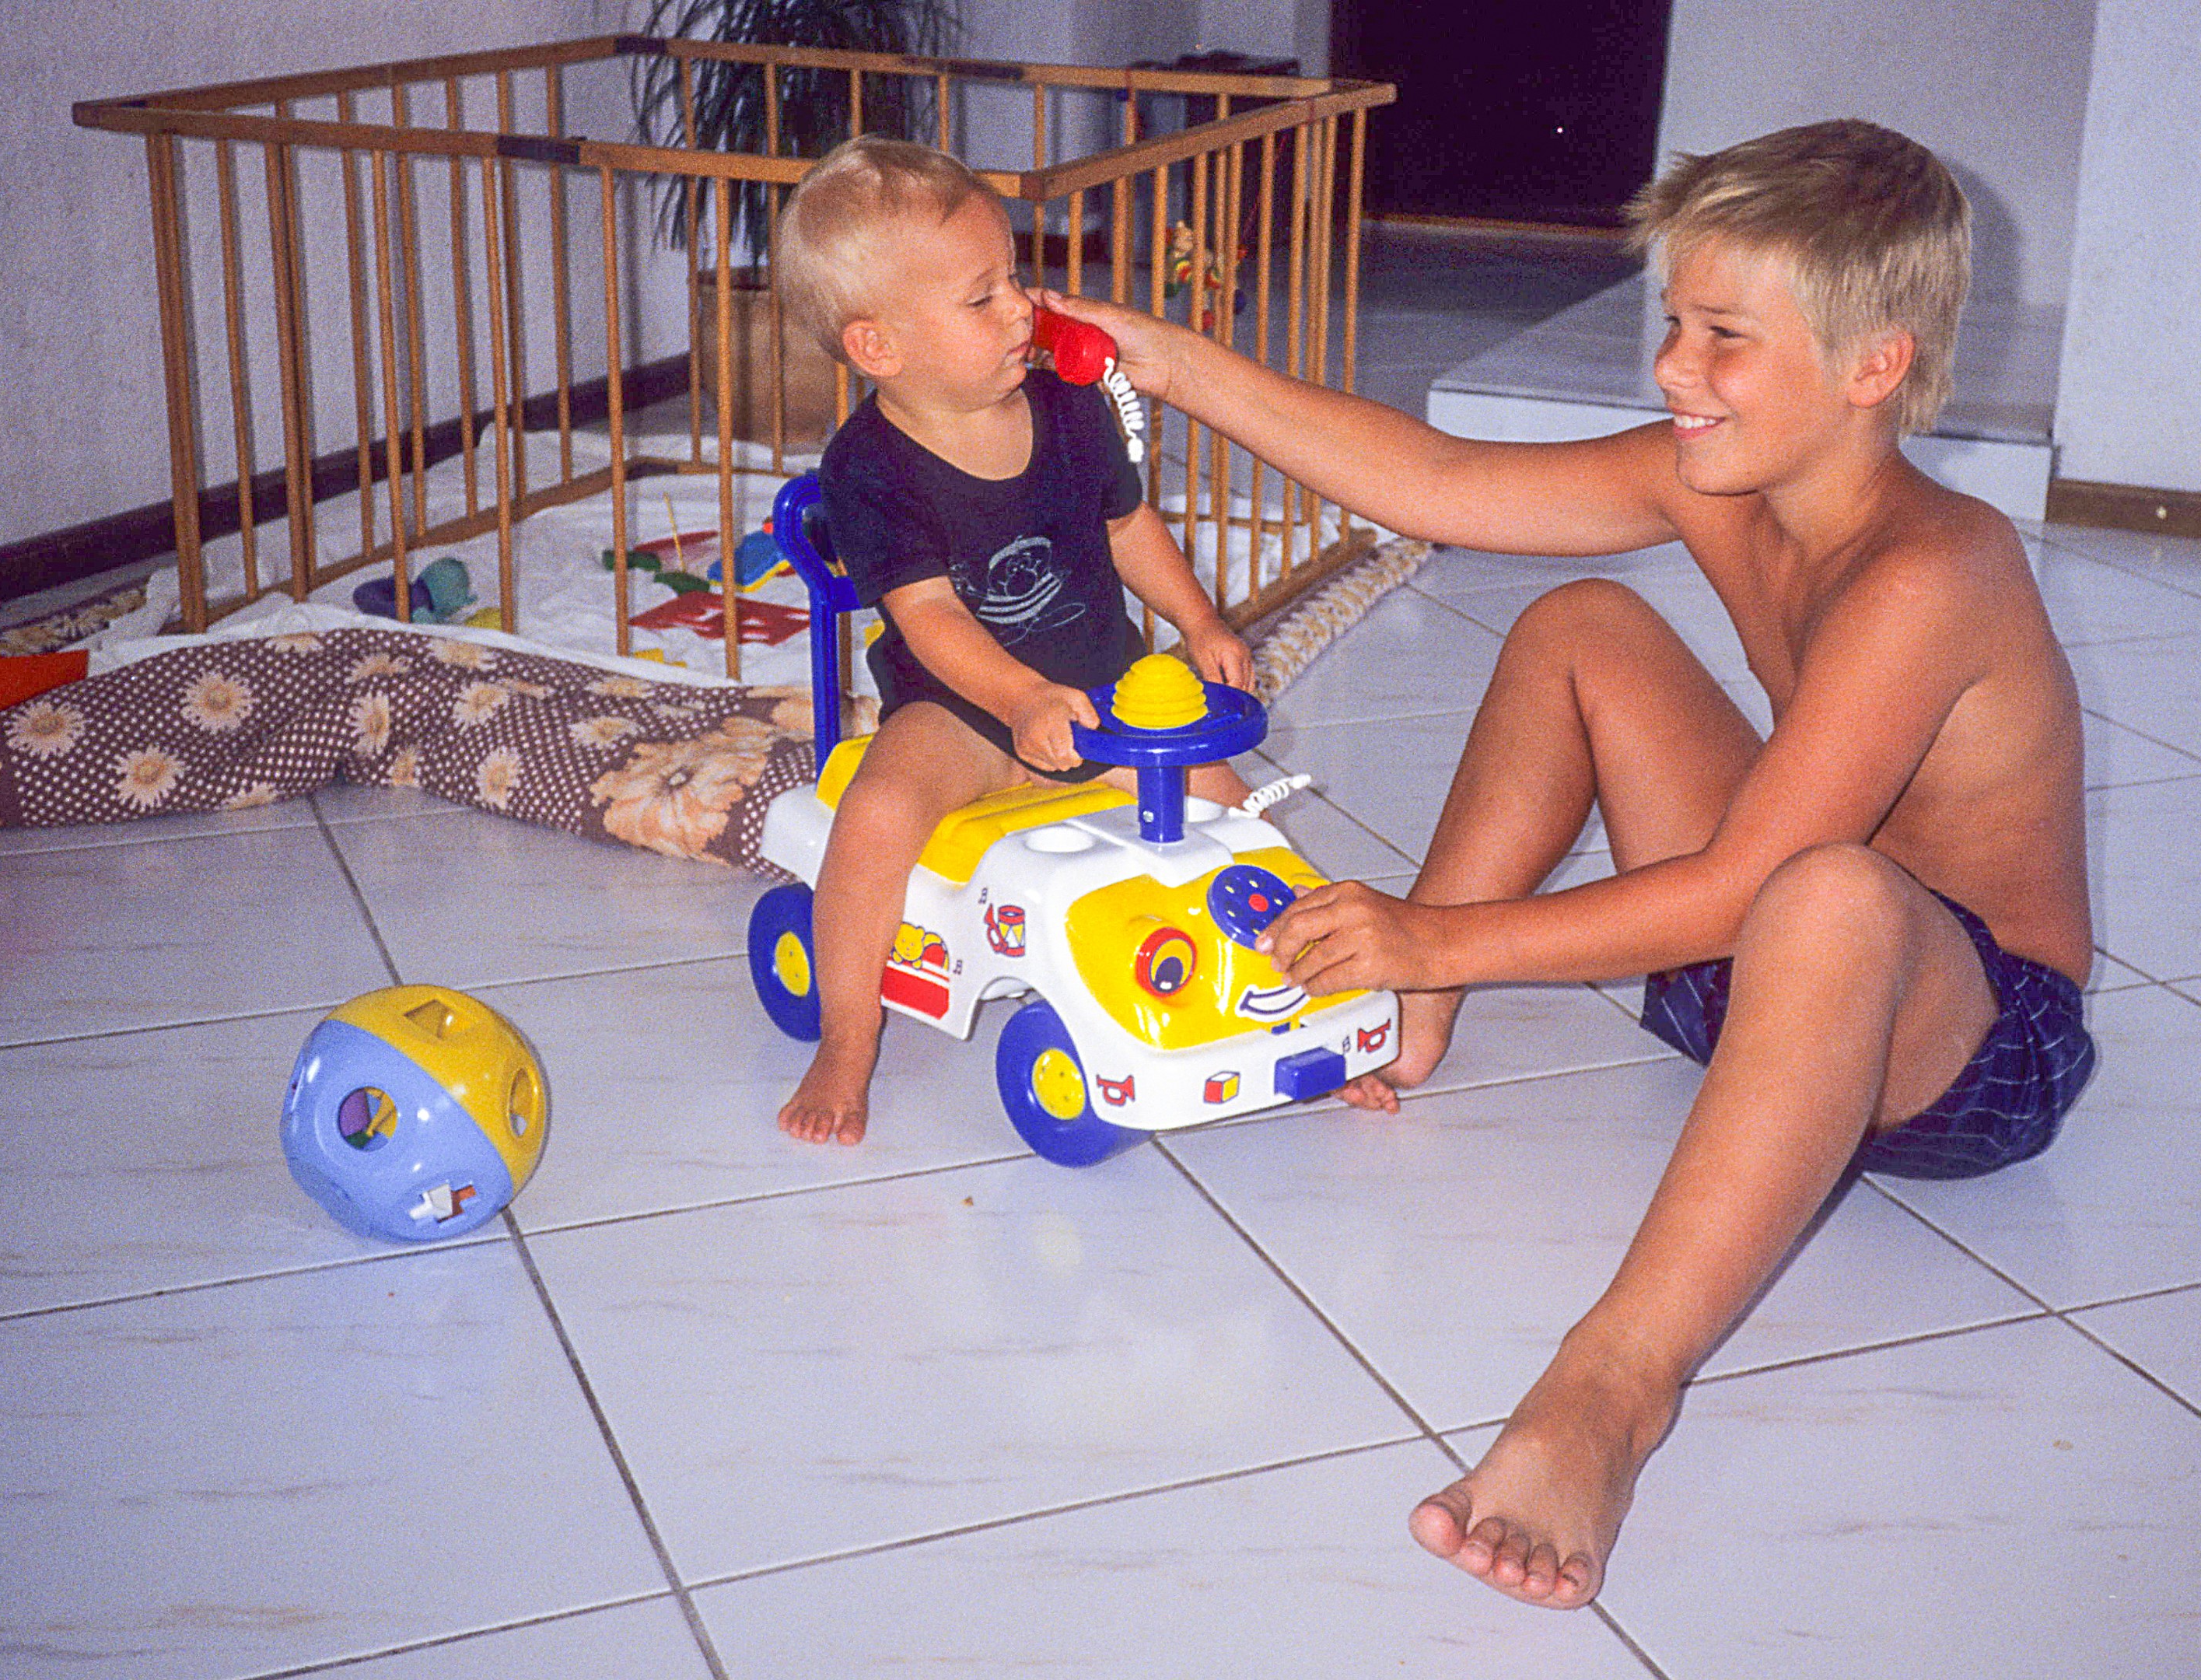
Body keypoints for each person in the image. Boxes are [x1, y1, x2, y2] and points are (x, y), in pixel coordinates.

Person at [1048, 118, 2097, 1607]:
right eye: (1674, 323)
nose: (1672, 367)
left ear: (1876, 366)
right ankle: (1411, 1017)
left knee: (1829, 893)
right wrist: (1169, 363)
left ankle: (1611, 1391)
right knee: (1581, 629)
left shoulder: (1940, 570)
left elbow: (1750, 884)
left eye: (1724, 338)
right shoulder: (1713, 483)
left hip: (1960, 1048)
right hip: (1759, 974)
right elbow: (1434, 481)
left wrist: (1436, 928)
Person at [770, 137, 1252, 1146]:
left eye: (1016, 279)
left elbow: (1127, 526)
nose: (1024, 310)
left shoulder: (1068, 406)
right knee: (876, 814)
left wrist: (1200, 619)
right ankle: (849, 1036)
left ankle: (1289, 988)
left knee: (1229, 808)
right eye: (983, 297)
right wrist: (1021, 699)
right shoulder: (868, 468)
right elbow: (930, 617)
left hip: (1107, 689)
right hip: (961, 711)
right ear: (878, 348)